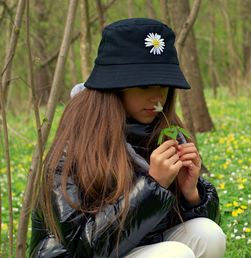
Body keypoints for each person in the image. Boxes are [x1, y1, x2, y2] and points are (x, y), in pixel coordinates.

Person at [30, 18, 226, 258]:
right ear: (113, 86)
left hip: (132, 248)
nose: (157, 97)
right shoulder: (74, 148)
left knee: (208, 234)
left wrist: (191, 195)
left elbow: (162, 225)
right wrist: (153, 187)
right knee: (174, 254)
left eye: (164, 85)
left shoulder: (166, 132)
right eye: (144, 86)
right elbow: (82, 248)